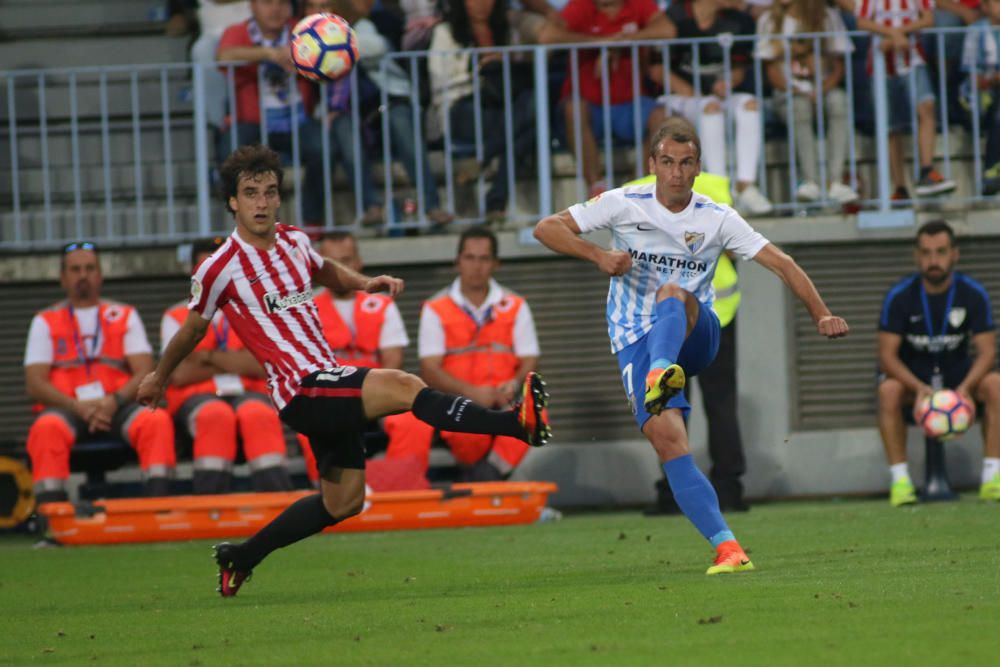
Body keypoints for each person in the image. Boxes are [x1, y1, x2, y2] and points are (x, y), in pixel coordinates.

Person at [136, 144, 551, 597]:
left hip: (325, 379)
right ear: (232, 202)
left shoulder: (293, 241)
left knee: (344, 502)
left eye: (269, 192)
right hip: (300, 390)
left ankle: (241, 557)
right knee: (404, 384)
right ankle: (515, 423)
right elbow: (193, 329)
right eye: (250, 193)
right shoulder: (221, 267)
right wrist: (158, 376)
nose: (261, 202)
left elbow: (325, 270)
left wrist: (364, 282)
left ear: (278, 198)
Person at [533, 117, 849, 574]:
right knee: (669, 443)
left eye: (685, 163)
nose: (676, 173)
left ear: (698, 167)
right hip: (633, 339)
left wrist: (821, 313)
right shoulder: (623, 203)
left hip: (696, 333)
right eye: (667, 163)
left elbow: (781, 262)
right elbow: (547, 228)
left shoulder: (716, 216)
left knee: (671, 294)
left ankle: (662, 371)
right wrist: (598, 254)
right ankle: (728, 547)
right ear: (652, 164)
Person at [623, 172, 749, 513]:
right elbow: (735, 250)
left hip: (666, 318)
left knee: (667, 401)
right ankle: (729, 490)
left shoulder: (637, 192)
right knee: (720, 402)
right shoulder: (716, 186)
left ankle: (674, 492)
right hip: (716, 313)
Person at [383, 226, 541, 481]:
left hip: (503, 399)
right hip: (457, 401)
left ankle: (488, 475)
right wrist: (473, 394)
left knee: (537, 413)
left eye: (484, 258)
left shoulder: (516, 304)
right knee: (461, 426)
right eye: (469, 258)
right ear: (457, 262)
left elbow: (530, 358)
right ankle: (477, 476)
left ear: (496, 264)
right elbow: (429, 369)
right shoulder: (436, 307)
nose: (476, 266)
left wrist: (513, 383)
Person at [24, 242, 176, 504]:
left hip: (118, 406)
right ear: (63, 278)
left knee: (156, 421)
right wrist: (77, 406)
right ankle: (53, 525)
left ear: (100, 275)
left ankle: (159, 512)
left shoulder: (124, 315)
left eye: (89, 268)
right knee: (46, 428)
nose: (83, 275)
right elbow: (34, 384)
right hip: (68, 409)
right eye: (75, 269)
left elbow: (144, 372)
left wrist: (112, 402)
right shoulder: (45, 320)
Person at [876, 220, 1000, 506]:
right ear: (916, 256)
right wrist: (918, 387)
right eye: (926, 252)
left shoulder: (973, 293)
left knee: (995, 384)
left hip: (959, 377)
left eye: (941, 252)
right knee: (888, 390)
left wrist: (966, 389)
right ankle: (900, 482)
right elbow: (886, 356)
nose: (934, 260)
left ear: (954, 254)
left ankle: (992, 477)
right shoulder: (899, 296)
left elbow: (987, 352)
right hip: (914, 379)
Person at [161, 237, 294, 494]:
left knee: (258, 414)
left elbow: (264, 366)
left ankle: (280, 504)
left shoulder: (256, 310)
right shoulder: (176, 315)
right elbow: (179, 374)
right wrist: (237, 360)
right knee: (215, 415)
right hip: (197, 398)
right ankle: (210, 506)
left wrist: (207, 357)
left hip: (250, 393)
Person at [307, 0, 453, 228]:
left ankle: (432, 205)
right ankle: (371, 207)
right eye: (313, 7)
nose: (320, 12)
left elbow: (378, 46)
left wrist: (334, 43)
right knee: (343, 130)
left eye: (325, 5)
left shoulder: (360, 26)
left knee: (402, 125)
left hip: (387, 99)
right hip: (345, 111)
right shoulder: (306, 43)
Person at [298, 230, 412, 484]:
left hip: (376, 391)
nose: (342, 269)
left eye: (347, 260)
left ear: (358, 263)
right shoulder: (305, 307)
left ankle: (396, 489)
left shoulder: (383, 304)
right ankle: (332, 493)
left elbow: (393, 360)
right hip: (329, 394)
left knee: (412, 421)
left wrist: (371, 396)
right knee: (308, 419)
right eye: (333, 262)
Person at [538, 0, 673, 198]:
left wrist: (626, 40)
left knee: (662, 116)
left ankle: (636, 187)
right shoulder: (581, 6)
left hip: (630, 103)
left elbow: (668, 30)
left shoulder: (638, 4)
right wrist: (598, 42)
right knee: (573, 109)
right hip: (592, 106)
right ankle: (596, 187)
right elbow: (546, 36)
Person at [657, 0, 773, 216]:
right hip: (682, 96)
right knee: (711, 109)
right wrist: (694, 93)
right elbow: (656, 68)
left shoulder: (738, 21)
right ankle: (720, 191)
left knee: (750, 104)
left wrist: (729, 82)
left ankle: (745, 186)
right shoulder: (675, 16)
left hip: (717, 95)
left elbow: (740, 65)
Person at [426, 0, 537, 223]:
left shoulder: (505, 30)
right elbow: (439, 77)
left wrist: (507, 62)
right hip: (460, 105)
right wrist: (478, 69)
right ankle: (495, 198)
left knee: (534, 113)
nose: (481, 4)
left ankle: (483, 160)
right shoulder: (445, 32)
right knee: (524, 129)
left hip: (500, 106)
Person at [217, 0, 327, 225]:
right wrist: (269, 54)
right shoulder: (238, 32)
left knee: (323, 147)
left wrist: (303, 61)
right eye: (267, 3)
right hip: (253, 121)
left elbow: (327, 59)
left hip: (297, 120)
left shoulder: (302, 31)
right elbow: (224, 56)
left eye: (281, 3)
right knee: (229, 148)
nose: (275, 9)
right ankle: (244, 221)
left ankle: (312, 220)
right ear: (252, 6)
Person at [754, 0, 859, 204]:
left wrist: (820, 90)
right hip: (788, 92)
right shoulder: (768, 20)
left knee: (840, 101)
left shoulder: (827, 16)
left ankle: (835, 182)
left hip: (822, 88)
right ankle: (810, 181)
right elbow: (771, 70)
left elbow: (838, 64)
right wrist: (796, 90)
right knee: (799, 107)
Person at [856, 0, 957, 200]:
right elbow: (862, 22)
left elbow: (928, 20)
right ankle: (900, 186)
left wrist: (896, 33)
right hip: (880, 64)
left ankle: (926, 170)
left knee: (927, 106)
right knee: (890, 125)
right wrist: (894, 34)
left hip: (913, 59)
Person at [960, 0, 1000, 194]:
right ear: (985, 7)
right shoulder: (977, 31)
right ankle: (991, 171)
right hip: (979, 97)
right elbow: (975, 80)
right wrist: (993, 79)